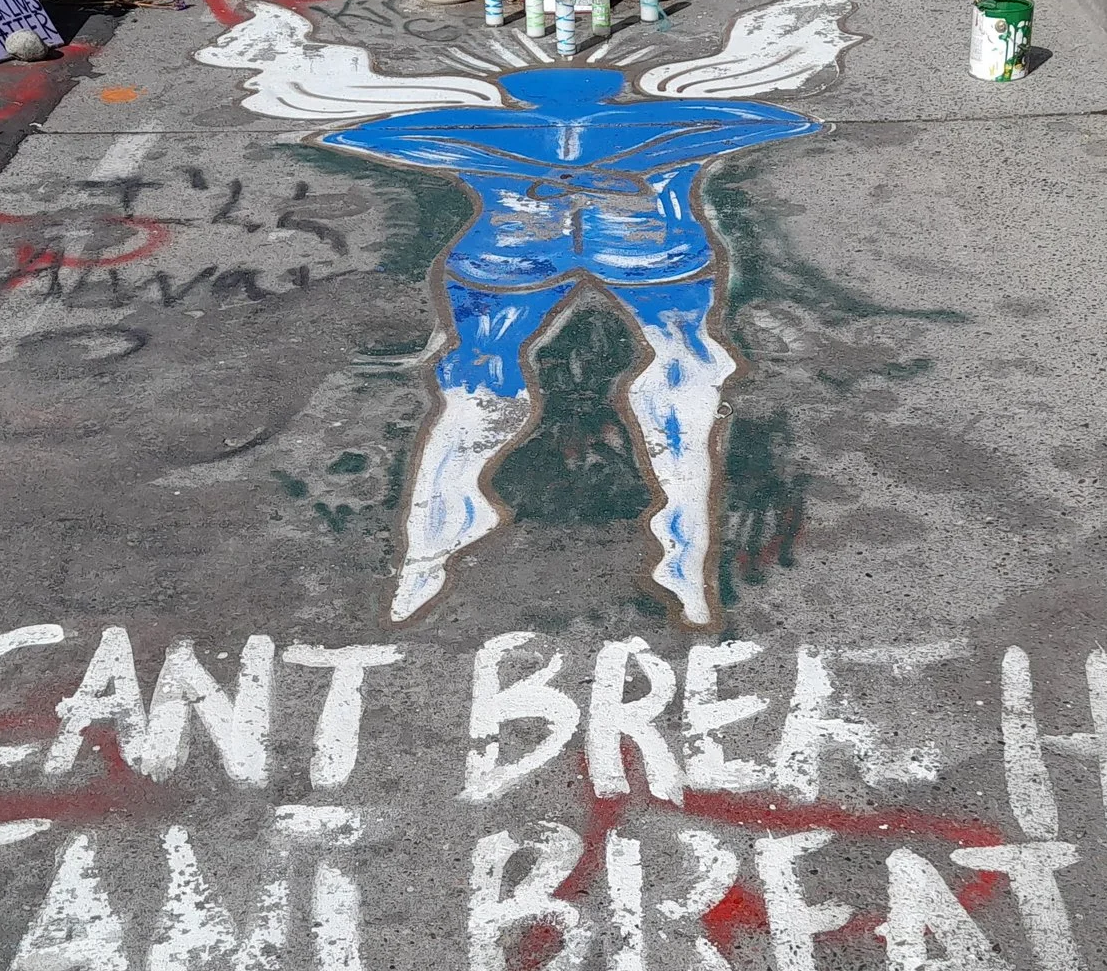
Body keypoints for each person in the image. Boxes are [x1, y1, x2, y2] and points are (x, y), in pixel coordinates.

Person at [321, 68, 819, 625]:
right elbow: (788, 119)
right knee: (685, 371)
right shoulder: (676, 119)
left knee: (476, 380)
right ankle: (682, 547)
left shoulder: (473, 125)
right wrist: (645, 156)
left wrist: (503, 160)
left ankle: (433, 540)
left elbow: (355, 136)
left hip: (512, 248)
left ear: (522, 95)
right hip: (650, 246)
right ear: (612, 91)